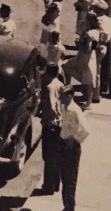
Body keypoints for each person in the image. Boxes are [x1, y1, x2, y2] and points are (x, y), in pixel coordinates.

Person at [59, 84, 90, 211]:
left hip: (71, 148)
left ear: (71, 96)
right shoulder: (64, 107)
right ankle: (66, 206)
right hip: (63, 144)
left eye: (63, 96)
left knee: (70, 181)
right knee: (64, 179)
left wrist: (74, 140)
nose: (61, 98)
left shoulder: (75, 110)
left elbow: (86, 130)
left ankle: (69, 208)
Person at [39, 63, 64, 194]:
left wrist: (47, 120)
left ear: (48, 73)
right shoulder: (60, 84)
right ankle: (56, 184)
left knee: (48, 158)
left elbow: (51, 106)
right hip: (60, 125)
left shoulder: (49, 88)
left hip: (51, 126)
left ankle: (48, 186)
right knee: (56, 157)